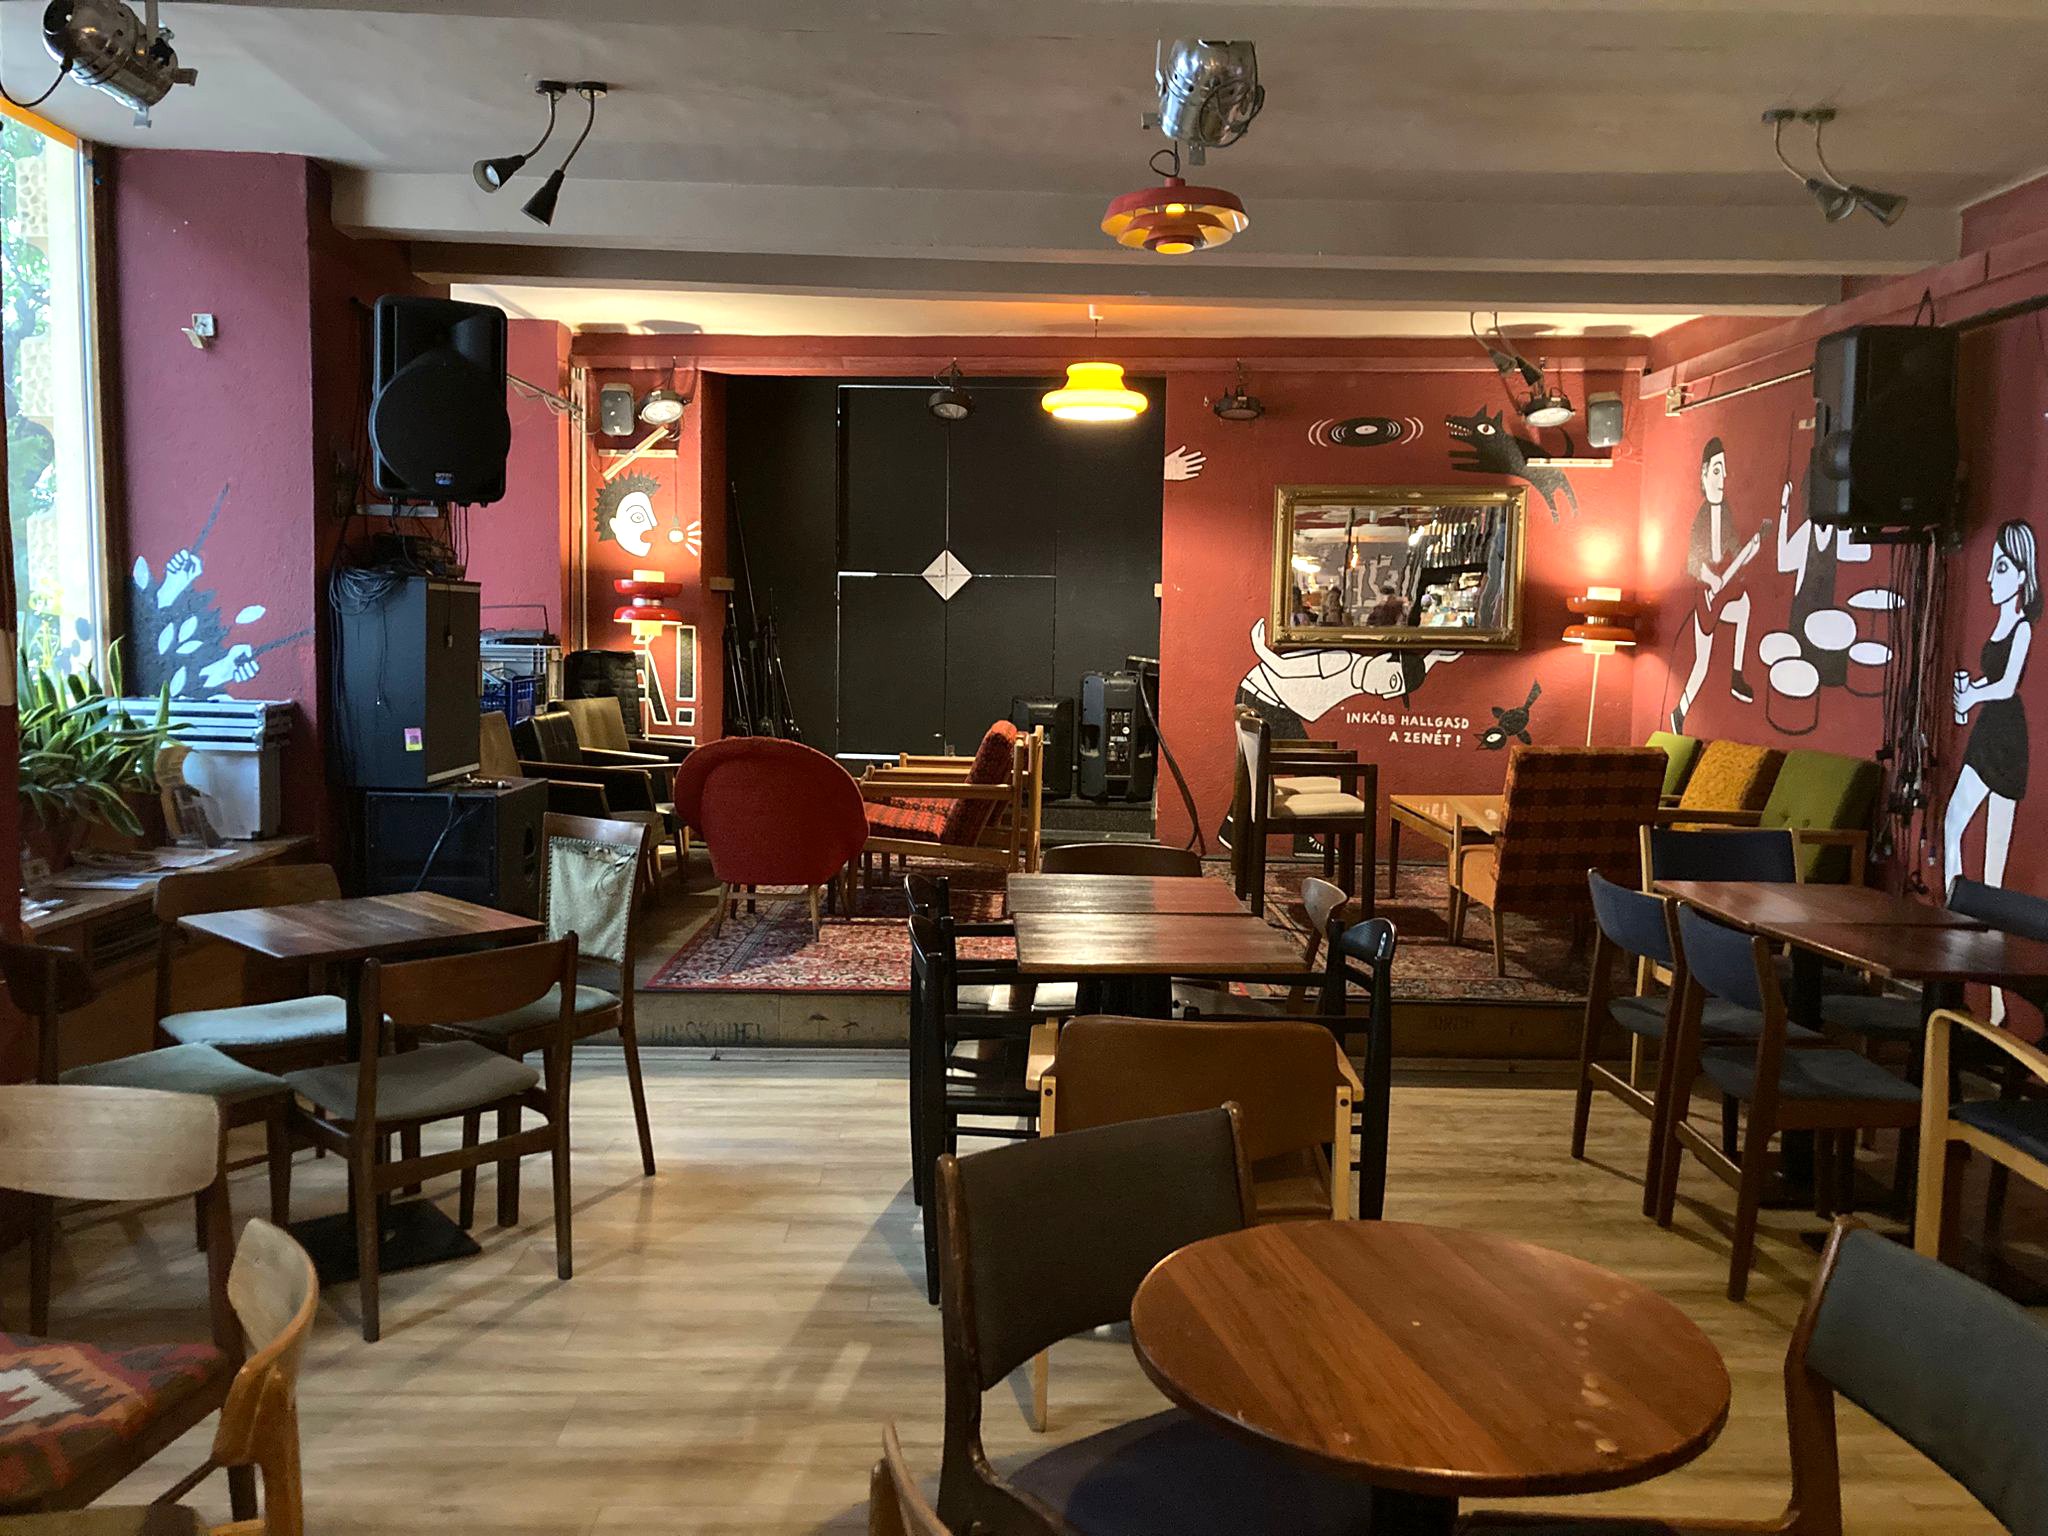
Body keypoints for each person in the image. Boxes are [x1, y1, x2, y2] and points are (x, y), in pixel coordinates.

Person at [1945, 521, 2038, 1009]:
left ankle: (1996, 998)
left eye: (2001, 567)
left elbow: (2006, 686)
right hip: (1987, 734)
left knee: (1995, 871)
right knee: (1952, 824)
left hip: (2007, 741)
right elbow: (1990, 684)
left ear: (2021, 575)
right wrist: (1968, 696)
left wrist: (1975, 694)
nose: (1989, 577)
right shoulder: (2000, 624)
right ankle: (1950, 940)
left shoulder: (2022, 627)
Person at [1671, 438, 1762, 729]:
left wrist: (1751, 551)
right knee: (1702, 664)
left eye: (1724, 471)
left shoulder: (1727, 511)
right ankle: (1679, 712)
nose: (1722, 478)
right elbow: (1692, 562)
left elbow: (1734, 549)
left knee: (1744, 606)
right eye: (1716, 470)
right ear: (1704, 473)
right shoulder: (1700, 518)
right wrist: (1711, 578)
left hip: (1723, 593)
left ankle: (1736, 675)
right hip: (1706, 597)